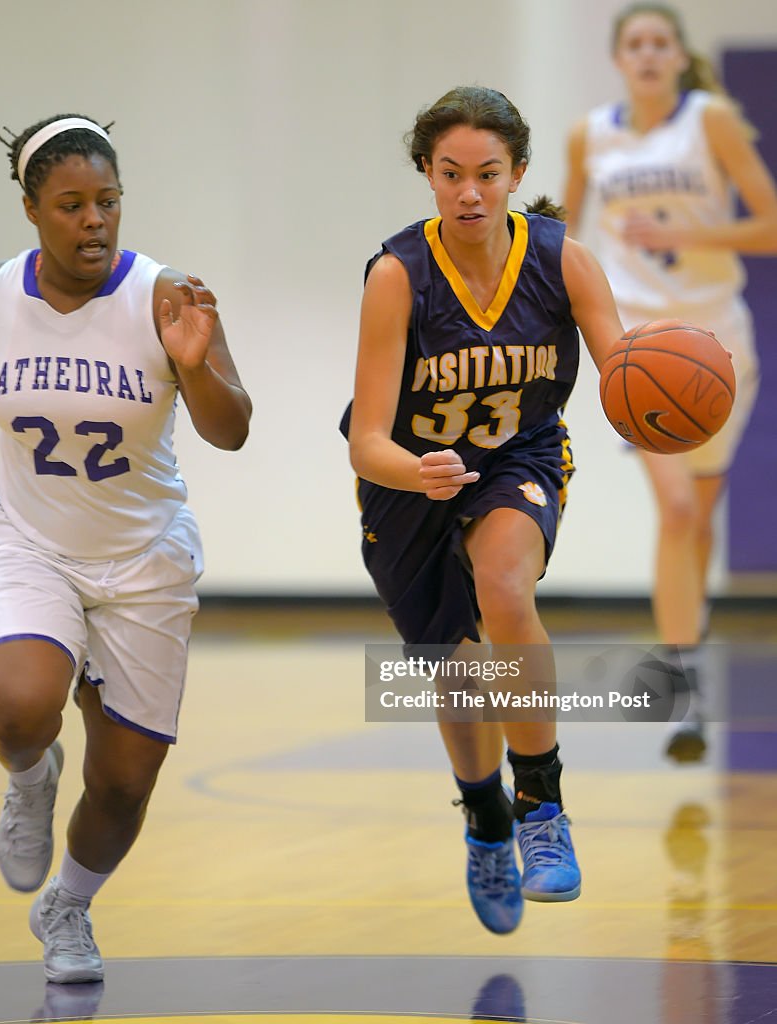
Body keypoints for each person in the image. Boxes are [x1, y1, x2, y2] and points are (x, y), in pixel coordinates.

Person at [0, 114, 251, 982]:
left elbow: (231, 430)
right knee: (20, 706)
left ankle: (68, 907)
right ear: (31, 210)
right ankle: (28, 776)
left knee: (125, 781)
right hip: (30, 541)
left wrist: (195, 367)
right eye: (73, 204)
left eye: (109, 202)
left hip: (144, 558)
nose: (95, 220)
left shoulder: (166, 295)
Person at [341, 85, 627, 935]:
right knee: (458, 675)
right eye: (450, 173)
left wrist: (653, 410)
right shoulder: (398, 275)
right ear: (427, 175)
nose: (469, 192)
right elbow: (364, 439)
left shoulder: (562, 259)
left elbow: (623, 371)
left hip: (518, 457)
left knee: (506, 588)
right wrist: (412, 468)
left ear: (517, 174)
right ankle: (485, 816)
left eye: (487, 174)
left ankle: (542, 810)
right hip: (413, 474)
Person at [562, 3, 777, 762]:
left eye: (660, 43)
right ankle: (681, 688)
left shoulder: (709, 120)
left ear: (678, 56)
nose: (648, 54)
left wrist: (687, 233)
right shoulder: (591, 134)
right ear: (618, 58)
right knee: (678, 508)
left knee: (701, 513)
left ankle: (687, 641)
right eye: (634, 44)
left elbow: (770, 223)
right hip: (641, 345)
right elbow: (562, 235)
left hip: (717, 340)